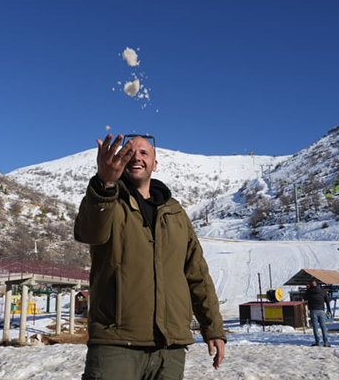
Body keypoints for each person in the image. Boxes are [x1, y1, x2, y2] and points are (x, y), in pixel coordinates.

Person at [75, 134, 226, 380]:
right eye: (129, 153)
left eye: (144, 153)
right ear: (120, 160)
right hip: (116, 344)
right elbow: (89, 232)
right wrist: (105, 184)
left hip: (170, 347)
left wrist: (213, 329)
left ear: (155, 164)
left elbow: (197, 274)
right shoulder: (107, 201)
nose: (137, 158)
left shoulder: (176, 213)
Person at [304, 280, 331, 347]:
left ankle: (317, 342)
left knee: (315, 327)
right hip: (321, 310)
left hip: (313, 311)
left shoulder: (309, 292)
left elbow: (304, 298)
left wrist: (307, 289)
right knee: (323, 327)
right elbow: (327, 300)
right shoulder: (322, 291)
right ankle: (326, 342)